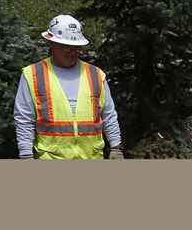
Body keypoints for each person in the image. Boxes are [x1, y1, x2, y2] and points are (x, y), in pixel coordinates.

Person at [14, 15, 123, 159]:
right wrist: (26, 154)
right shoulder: (33, 74)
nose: (73, 52)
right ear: (51, 44)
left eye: (77, 48)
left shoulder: (95, 74)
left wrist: (116, 147)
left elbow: (108, 114)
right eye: (67, 48)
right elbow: (24, 118)